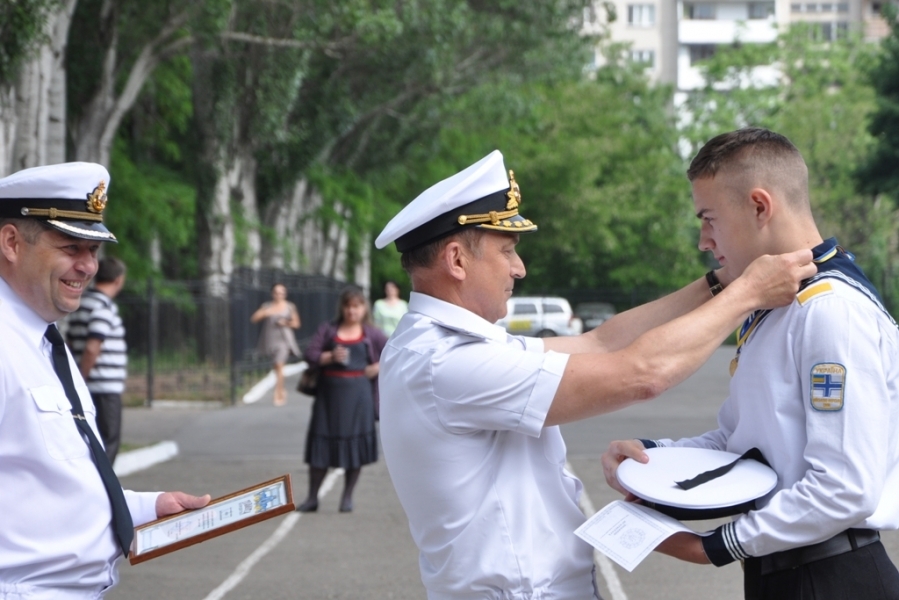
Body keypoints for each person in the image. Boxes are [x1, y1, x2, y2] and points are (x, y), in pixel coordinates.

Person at [372, 149, 816, 599]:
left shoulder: (448, 345)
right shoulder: (448, 363)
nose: (518, 268)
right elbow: (643, 373)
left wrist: (719, 282)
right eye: (506, 251)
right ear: (456, 260)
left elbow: (601, 343)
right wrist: (746, 293)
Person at [601, 128, 899, 600]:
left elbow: (845, 488)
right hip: (787, 575)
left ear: (760, 206)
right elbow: (742, 441)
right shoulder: (779, 306)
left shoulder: (830, 311)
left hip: (834, 579)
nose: (703, 240)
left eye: (709, 218)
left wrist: (715, 546)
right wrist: (651, 458)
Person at [0, 162, 210, 598]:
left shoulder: (40, 339)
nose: (88, 266)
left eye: (94, 251)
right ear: (10, 242)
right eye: (71, 247)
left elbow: (47, 482)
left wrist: (141, 508)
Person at [296, 285, 388, 513]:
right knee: (320, 447)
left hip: (359, 398)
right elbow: (310, 354)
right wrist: (328, 356)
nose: (351, 311)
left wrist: (376, 367)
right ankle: (312, 497)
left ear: (363, 308)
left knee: (354, 447)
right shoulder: (329, 329)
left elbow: (394, 353)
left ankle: (347, 497)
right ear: (342, 308)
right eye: (348, 306)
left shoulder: (372, 333)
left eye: (356, 306)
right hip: (328, 399)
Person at [67, 256, 128, 464]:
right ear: (119, 280)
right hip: (103, 385)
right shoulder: (103, 306)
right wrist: (80, 378)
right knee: (108, 442)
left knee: (90, 440)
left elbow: (72, 342)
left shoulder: (82, 303)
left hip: (89, 385)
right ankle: (104, 490)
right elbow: (93, 347)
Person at [250, 283, 301, 406]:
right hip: (270, 339)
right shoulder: (267, 306)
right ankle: (281, 389)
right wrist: (267, 312)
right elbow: (254, 318)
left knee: (279, 364)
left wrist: (285, 323)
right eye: (277, 293)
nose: (279, 295)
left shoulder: (289, 307)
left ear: (285, 294)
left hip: (284, 340)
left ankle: (278, 393)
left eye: (282, 292)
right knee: (276, 367)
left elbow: (296, 324)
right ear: (273, 294)